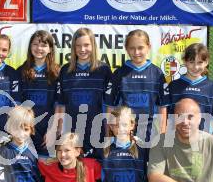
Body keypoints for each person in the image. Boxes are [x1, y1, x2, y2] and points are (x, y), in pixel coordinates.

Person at [56, 27, 113, 158]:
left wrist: (108, 132)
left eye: (86, 45)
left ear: (93, 45)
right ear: (73, 47)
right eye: (78, 46)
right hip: (72, 133)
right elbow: (61, 105)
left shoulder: (103, 70)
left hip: (97, 132)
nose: (82, 50)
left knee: (95, 174)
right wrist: (58, 131)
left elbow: (110, 105)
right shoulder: (65, 71)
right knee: (74, 173)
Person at [105, 29, 167, 144]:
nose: (136, 52)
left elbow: (162, 107)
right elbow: (110, 107)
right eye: (132, 48)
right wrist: (109, 134)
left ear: (149, 47)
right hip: (124, 133)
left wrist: (162, 133)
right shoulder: (119, 74)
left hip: (150, 133)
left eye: (140, 48)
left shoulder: (157, 73)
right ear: (126, 49)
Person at [17, 30, 60, 157]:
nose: (39, 48)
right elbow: (18, 104)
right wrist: (23, 129)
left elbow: (59, 104)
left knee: (48, 167)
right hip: (27, 129)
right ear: (30, 47)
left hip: (48, 130)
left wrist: (53, 130)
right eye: (35, 44)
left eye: (43, 45)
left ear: (50, 49)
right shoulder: (21, 71)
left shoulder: (58, 72)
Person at [161, 43, 213, 135]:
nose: (195, 67)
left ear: (206, 62)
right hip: (178, 140)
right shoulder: (174, 85)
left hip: (203, 139)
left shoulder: (211, 87)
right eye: (191, 62)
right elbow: (167, 115)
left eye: (200, 62)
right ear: (185, 61)